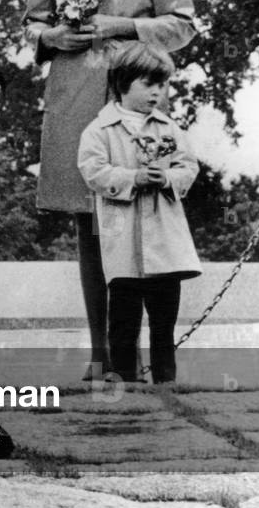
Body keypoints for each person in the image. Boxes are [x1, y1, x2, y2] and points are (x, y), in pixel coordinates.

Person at [23, 0, 196, 380]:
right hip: (74, 96)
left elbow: (183, 24)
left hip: (138, 96)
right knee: (90, 222)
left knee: (146, 216)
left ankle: (146, 354)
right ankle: (104, 355)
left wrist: (123, 27)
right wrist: (53, 36)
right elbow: (32, 24)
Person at [78, 43, 200, 383]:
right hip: (124, 243)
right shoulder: (100, 130)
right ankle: (125, 384)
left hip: (164, 244)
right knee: (123, 321)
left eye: (161, 85)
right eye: (149, 84)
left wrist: (169, 178)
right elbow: (93, 171)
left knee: (164, 322)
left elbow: (188, 166)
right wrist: (132, 178)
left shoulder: (169, 129)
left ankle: (166, 383)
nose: (157, 93)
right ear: (123, 82)